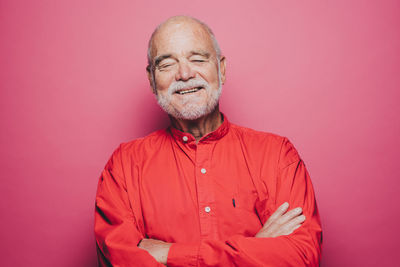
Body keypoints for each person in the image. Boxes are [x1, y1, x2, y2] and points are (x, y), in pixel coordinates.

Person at [94, 16, 322, 266]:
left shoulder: (278, 156)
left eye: (198, 59)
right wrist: (257, 247)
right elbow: (120, 260)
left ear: (221, 68)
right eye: (167, 64)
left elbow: (301, 258)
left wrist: (169, 254)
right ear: (151, 79)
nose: (184, 74)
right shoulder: (124, 167)